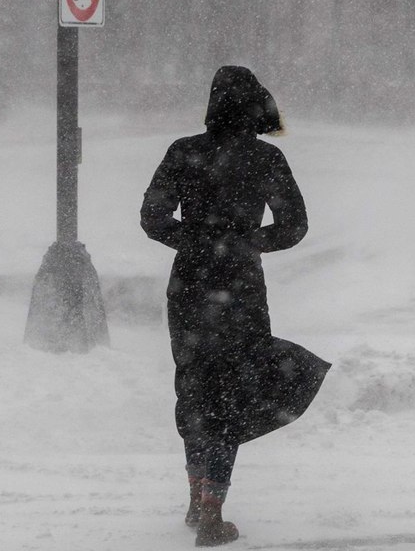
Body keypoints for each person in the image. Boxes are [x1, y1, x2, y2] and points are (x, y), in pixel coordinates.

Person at [140, 65, 331, 547]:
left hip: (189, 285)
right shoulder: (265, 157)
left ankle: (195, 497)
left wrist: (197, 243)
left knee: (194, 387)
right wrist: (245, 243)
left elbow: (152, 217)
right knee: (232, 391)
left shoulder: (183, 151)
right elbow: (294, 225)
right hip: (240, 287)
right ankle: (212, 510)